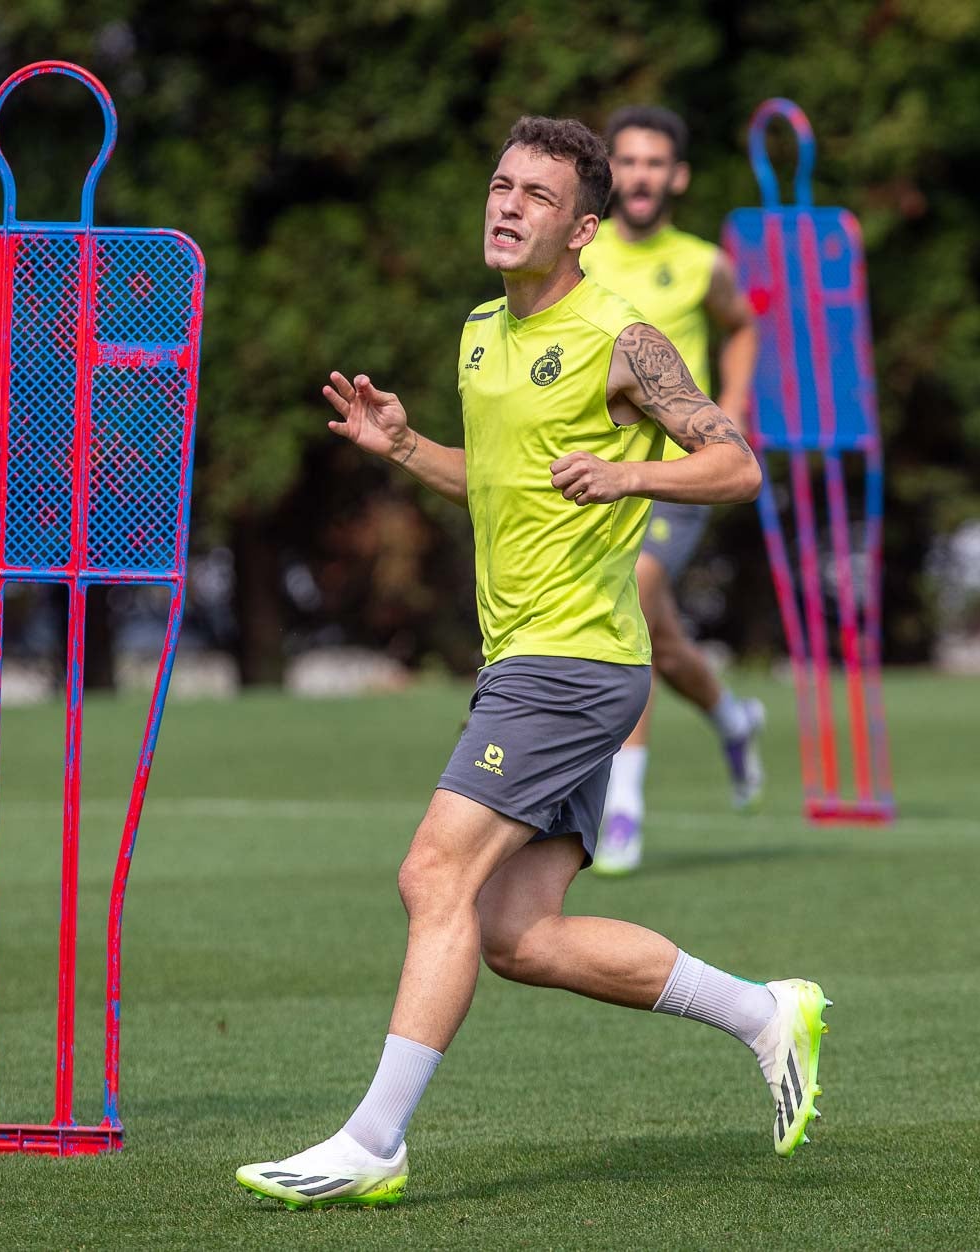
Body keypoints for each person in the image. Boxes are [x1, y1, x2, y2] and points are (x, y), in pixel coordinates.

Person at [233, 116, 830, 1211]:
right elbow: (500, 480)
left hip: (572, 663)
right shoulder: (477, 331)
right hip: (527, 660)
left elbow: (736, 465)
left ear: (583, 228)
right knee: (515, 935)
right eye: (500, 186)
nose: (507, 206)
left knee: (432, 876)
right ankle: (763, 1012)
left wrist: (630, 474)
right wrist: (402, 446)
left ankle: (373, 1141)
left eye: (537, 196)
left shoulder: (623, 337)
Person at [580, 105, 766, 877]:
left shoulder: (701, 264)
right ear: (609, 173)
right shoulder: (579, 254)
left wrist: (733, 405)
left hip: (673, 475)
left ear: (677, 177)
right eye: (627, 161)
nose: (641, 175)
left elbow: (743, 325)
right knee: (660, 640)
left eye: (655, 163)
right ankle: (732, 717)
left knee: (632, 597)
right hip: (597, 473)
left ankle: (622, 807)